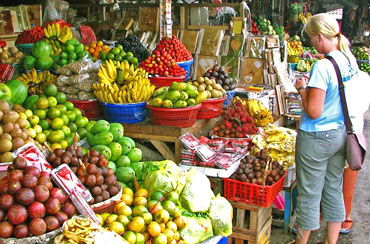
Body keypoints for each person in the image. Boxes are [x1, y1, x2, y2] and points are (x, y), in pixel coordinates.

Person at [294, 13, 360, 244]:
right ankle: (331, 242)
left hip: (316, 138)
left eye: (312, 38)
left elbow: (313, 110)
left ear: (320, 37)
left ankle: (302, 242)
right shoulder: (348, 60)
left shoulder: (323, 66)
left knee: (310, 193)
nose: (312, 43)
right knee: (333, 188)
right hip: (339, 134)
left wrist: (302, 88)